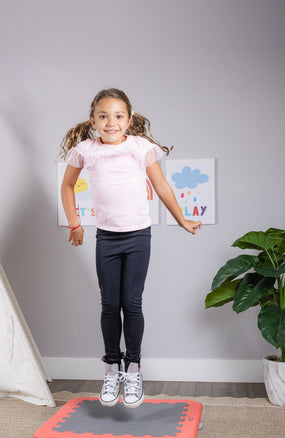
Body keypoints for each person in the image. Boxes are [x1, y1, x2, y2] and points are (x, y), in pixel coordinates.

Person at [60, 88, 201, 409]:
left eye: (119, 116)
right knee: (110, 305)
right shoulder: (86, 150)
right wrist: (75, 223)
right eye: (104, 116)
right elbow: (67, 186)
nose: (111, 122)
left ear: (130, 118)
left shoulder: (141, 148)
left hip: (138, 237)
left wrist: (182, 219)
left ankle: (133, 369)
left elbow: (161, 185)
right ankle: (112, 368)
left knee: (132, 303)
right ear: (93, 119)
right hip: (106, 239)